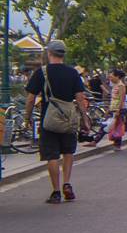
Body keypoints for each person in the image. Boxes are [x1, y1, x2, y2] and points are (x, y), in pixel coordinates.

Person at [24, 40, 90, 204]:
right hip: (68, 118)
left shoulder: (42, 73)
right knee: (68, 152)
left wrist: (27, 117)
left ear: (49, 54)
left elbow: (31, 98)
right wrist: (84, 118)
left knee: (51, 155)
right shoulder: (73, 73)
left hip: (49, 119)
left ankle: (55, 191)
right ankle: (67, 183)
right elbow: (80, 98)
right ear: (63, 54)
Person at [84, 69, 127, 150]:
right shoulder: (115, 85)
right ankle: (116, 144)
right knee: (112, 126)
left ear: (117, 76)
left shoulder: (121, 86)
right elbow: (114, 99)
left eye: (112, 76)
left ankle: (96, 141)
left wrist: (118, 110)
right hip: (114, 108)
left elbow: (122, 98)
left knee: (110, 126)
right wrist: (109, 109)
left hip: (119, 109)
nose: (110, 78)